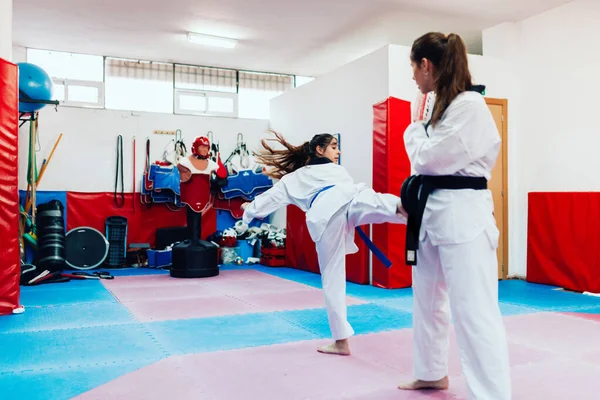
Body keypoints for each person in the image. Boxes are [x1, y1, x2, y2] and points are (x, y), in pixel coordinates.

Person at [396, 32, 511, 399]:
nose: (413, 78)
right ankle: (430, 372)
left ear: (426, 65)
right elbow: (428, 158)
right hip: (434, 216)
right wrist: (422, 131)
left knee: (474, 313)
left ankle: (491, 394)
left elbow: (429, 158)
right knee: (427, 300)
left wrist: (414, 128)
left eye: (413, 69)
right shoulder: (442, 106)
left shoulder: (469, 105)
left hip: (464, 219)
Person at [241, 130, 407, 356]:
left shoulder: (304, 177)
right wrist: (249, 210)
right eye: (334, 146)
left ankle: (341, 342)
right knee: (376, 203)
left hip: (331, 212)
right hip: (350, 200)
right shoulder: (320, 173)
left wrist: (249, 211)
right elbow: (271, 197)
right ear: (319, 149)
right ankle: (405, 208)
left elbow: (270, 198)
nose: (338, 151)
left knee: (333, 278)